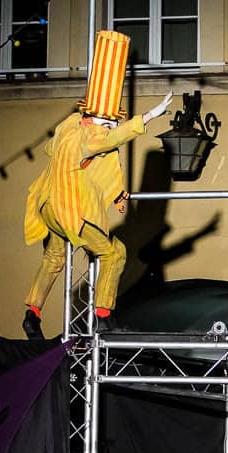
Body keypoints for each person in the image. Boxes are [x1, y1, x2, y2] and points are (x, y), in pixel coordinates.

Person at [22, 30, 173, 338]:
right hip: (69, 209)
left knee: (54, 258)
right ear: (93, 120)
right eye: (109, 122)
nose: (110, 128)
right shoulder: (90, 136)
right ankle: (103, 316)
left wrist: (116, 193)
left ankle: (32, 313)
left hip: (48, 206)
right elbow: (111, 140)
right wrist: (150, 115)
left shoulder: (67, 130)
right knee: (114, 253)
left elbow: (79, 161)